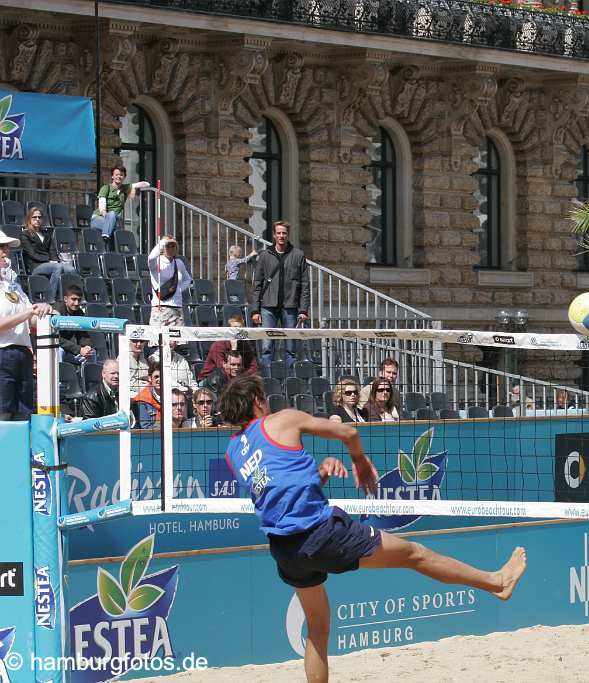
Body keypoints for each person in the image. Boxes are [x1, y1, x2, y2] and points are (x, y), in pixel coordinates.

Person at [218, 374, 527, 683]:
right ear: (259, 401)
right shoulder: (282, 419)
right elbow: (348, 431)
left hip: (286, 550)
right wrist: (359, 460)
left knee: (317, 629)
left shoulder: (233, 453)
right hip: (321, 534)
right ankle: (497, 582)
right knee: (415, 554)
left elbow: (280, 495)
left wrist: (321, 474)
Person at [0, 232, 52, 420]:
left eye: (7, 247)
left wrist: (47, 312)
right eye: (1, 247)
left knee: (24, 414)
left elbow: (30, 318)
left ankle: (19, 450)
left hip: (22, 353)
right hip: (2, 354)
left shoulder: (13, 284)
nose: (6, 251)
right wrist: (29, 312)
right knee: (4, 415)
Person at [251, 221, 309, 367]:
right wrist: (255, 310)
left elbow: (305, 285)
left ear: (288, 235)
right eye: (279, 233)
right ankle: (267, 381)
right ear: (274, 235)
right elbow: (257, 284)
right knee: (266, 347)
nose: (281, 236)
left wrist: (303, 310)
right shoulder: (264, 256)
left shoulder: (298, 255)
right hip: (268, 307)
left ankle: (290, 383)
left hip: (290, 306)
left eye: (284, 233)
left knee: (290, 349)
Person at [20, 205, 76, 301]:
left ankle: (72, 296)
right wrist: (49, 260)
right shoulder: (25, 234)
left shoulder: (46, 234)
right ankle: (51, 298)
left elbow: (52, 250)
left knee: (71, 269)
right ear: (29, 219)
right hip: (36, 265)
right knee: (57, 267)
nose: (37, 219)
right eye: (34, 217)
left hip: (49, 263)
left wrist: (54, 260)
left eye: (39, 217)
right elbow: (32, 254)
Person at [148, 235, 192, 327]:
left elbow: (188, 279)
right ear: (163, 248)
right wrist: (163, 242)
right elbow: (151, 258)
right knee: (159, 340)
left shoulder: (179, 263)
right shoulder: (156, 263)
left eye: (173, 246)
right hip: (161, 307)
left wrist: (179, 289)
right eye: (168, 246)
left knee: (178, 340)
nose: (170, 248)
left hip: (177, 307)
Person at [198, 314, 258, 380]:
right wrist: (234, 349)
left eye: (240, 329)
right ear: (228, 330)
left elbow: (253, 368)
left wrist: (244, 376)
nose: (237, 331)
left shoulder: (245, 344)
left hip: (237, 378)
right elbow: (224, 369)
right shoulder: (218, 345)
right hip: (210, 380)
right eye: (234, 328)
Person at [53, 285, 96, 366]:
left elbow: (83, 334)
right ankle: (60, 378)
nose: (76, 303)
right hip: (58, 349)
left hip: (71, 350)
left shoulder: (79, 313)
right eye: (73, 299)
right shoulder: (57, 311)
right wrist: (79, 349)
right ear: (65, 299)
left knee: (92, 353)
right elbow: (56, 338)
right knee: (60, 351)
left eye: (79, 300)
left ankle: (90, 378)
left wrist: (87, 346)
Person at [90, 165, 137, 238]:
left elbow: (145, 184)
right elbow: (102, 205)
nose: (119, 176)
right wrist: (106, 216)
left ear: (124, 177)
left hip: (113, 222)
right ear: (112, 176)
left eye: (121, 175)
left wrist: (133, 188)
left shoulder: (124, 188)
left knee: (115, 225)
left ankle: (107, 238)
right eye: (117, 174)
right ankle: (106, 235)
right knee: (112, 215)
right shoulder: (106, 188)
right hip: (98, 219)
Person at [131, 362, 162, 429]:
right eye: (156, 377)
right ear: (150, 378)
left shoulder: (172, 396)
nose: (159, 380)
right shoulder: (141, 400)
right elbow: (145, 426)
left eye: (162, 376)